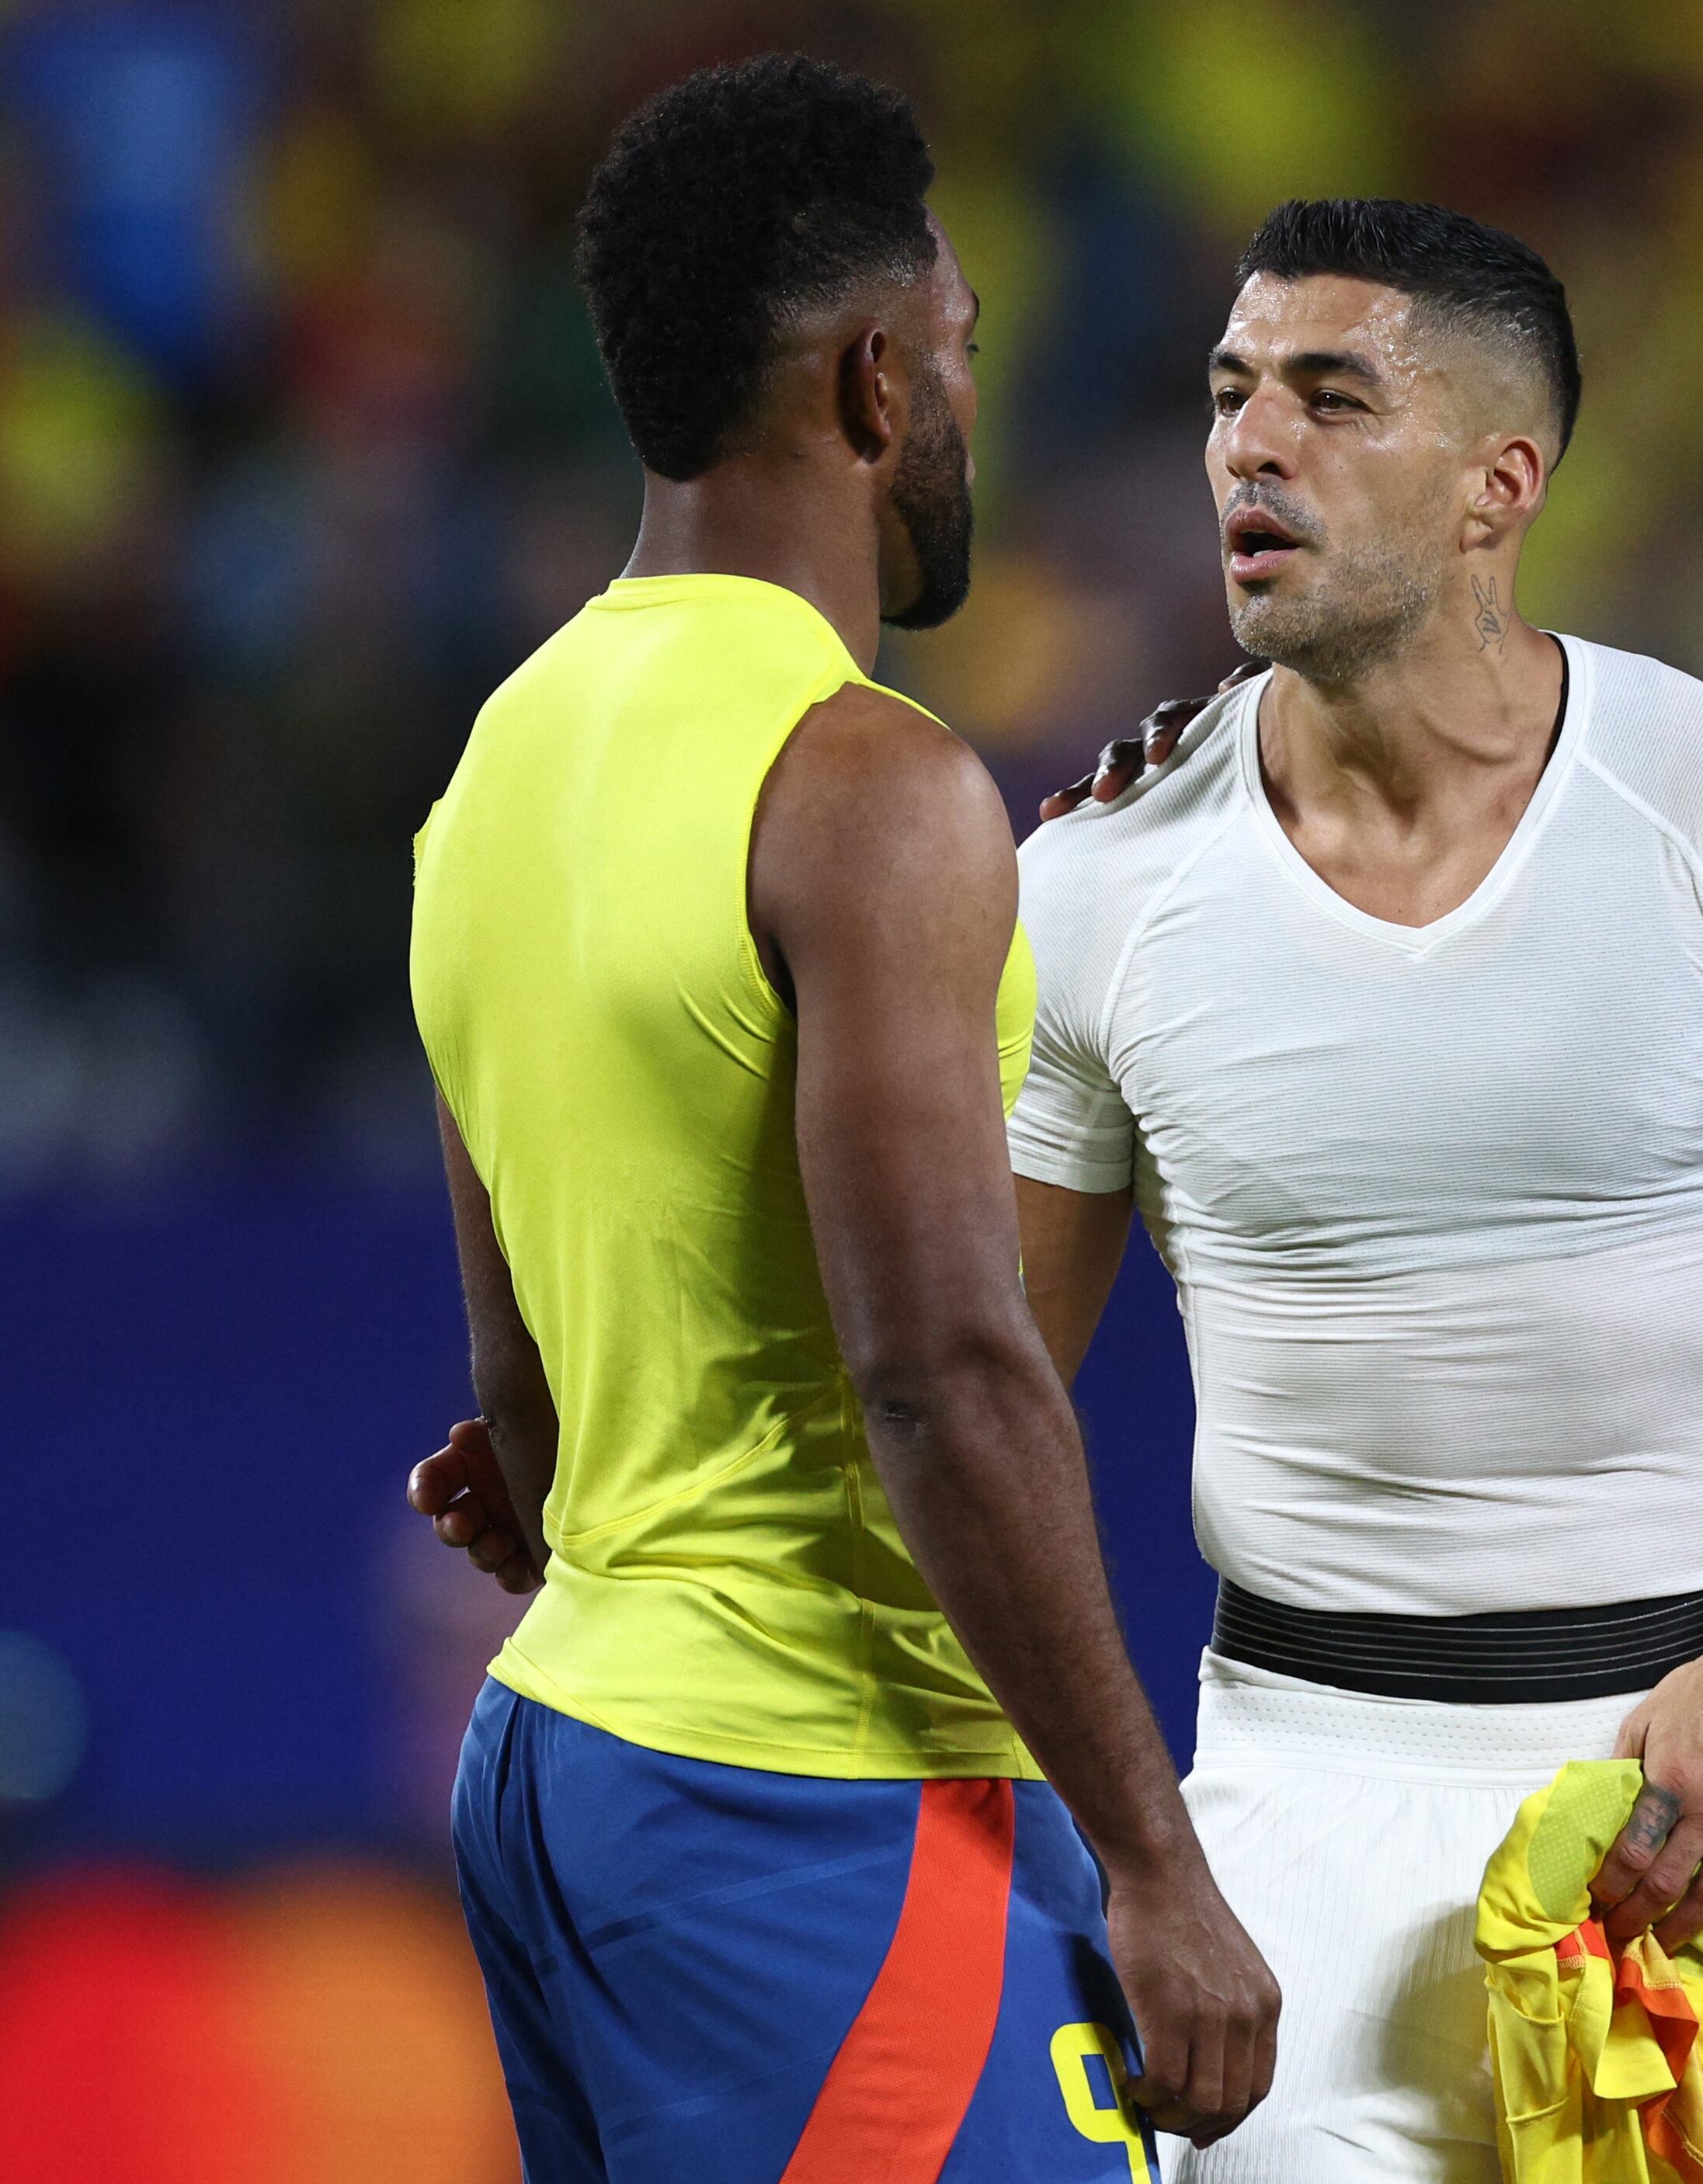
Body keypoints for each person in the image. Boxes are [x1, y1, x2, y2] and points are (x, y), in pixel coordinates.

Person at [1014, 196, 1703, 2182]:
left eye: (1332, 400)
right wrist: (1132, 1841)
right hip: (1291, 1813)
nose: (1254, 445)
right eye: (1232, 396)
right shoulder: (1091, 890)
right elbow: (980, 1387)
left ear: (1502, 482)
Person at [402, 58, 1274, 2182]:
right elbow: (947, 1368)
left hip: (563, 1761)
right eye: (962, 347)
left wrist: (597, 1463)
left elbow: (520, 1423)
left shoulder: (501, 760)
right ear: (876, 382)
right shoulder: (871, 782)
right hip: (816, 1790)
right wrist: (1152, 1861)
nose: (977, 394)